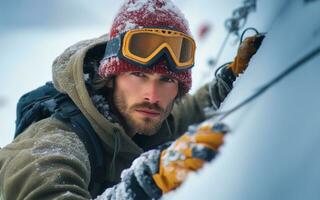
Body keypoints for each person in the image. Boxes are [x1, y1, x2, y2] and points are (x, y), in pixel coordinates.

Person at [0, 0, 263, 199]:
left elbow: (187, 114)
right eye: (138, 74)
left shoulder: (145, 118)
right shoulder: (53, 144)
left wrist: (228, 82)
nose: (152, 96)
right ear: (111, 77)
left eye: (167, 80)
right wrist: (136, 188)